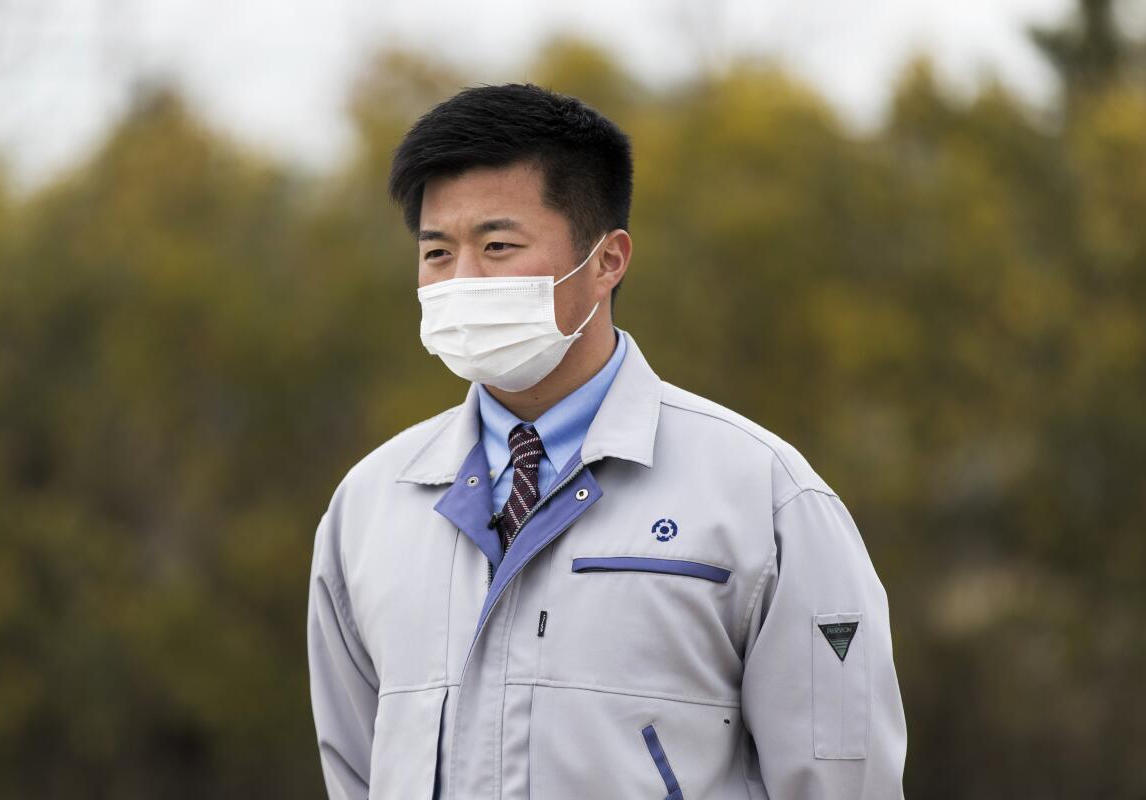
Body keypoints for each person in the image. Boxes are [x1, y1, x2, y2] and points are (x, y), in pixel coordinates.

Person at [307, 82, 907, 800]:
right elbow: (352, 772)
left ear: (607, 260)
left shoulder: (764, 496)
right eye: (437, 252)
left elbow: (842, 780)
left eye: (497, 246)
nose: (461, 281)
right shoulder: (371, 505)